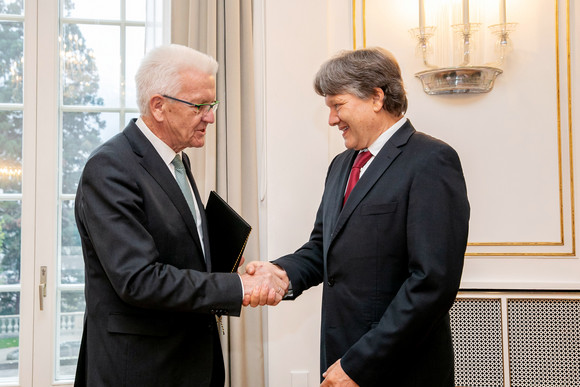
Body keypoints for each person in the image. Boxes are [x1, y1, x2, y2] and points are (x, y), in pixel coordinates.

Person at [247, 47, 470, 386]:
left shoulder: (431, 160)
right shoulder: (341, 165)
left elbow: (431, 283)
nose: (332, 119)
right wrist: (280, 273)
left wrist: (360, 362)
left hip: (399, 367)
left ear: (377, 98)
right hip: (341, 356)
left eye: (338, 105)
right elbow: (323, 246)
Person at [73, 44, 288, 387]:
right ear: (159, 106)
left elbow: (174, 245)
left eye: (212, 105)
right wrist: (237, 286)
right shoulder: (110, 168)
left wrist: (219, 260)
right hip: (142, 368)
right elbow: (138, 280)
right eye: (200, 105)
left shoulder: (176, 160)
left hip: (190, 361)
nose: (211, 117)